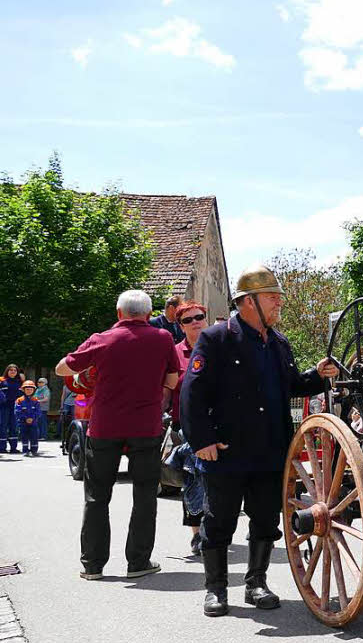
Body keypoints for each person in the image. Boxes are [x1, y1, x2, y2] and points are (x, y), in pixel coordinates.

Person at [180, 264, 339, 617]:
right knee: (219, 521)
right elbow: (192, 394)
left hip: (271, 450)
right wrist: (201, 439)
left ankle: (256, 583)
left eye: (278, 298)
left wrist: (318, 374)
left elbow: (293, 385)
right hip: (226, 450)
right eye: (271, 298)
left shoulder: (279, 343)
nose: (279, 304)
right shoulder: (216, 339)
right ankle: (216, 589)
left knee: (266, 519)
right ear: (247, 302)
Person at [56, 290, 180, 581]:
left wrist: (90, 372)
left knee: (97, 497)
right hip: (145, 426)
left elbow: (62, 368)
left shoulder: (102, 339)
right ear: (149, 315)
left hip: (105, 427)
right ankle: (138, 562)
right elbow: (173, 380)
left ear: (119, 313)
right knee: (145, 495)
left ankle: (93, 565)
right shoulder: (163, 339)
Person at [168, 300, 210, 555]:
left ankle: (210, 528)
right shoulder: (174, 353)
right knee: (192, 473)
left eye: (199, 317)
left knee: (214, 479)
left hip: (219, 424)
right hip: (185, 425)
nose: (195, 322)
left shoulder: (221, 350)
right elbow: (164, 387)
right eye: (188, 320)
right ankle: (197, 533)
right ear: (181, 326)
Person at [14, 380, 44, 456]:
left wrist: (32, 418)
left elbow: (38, 411)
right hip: (23, 422)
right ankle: (25, 450)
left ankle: (34, 451)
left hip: (33, 422)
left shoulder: (35, 400)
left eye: (31, 389)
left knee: (34, 436)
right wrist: (25, 418)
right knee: (24, 436)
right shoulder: (19, 400)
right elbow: (17, 411)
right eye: (27, 389)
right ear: (23, 390)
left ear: (33, 390)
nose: (29, 391)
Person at [0, 364, 25, 453]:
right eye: (11, 370)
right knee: (2, 426)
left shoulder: (20, 382)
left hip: (15, 407)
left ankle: (13, 448)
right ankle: (2, 448)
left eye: (15, 370)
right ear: (7, 371)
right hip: (3, 407)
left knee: (14, 427)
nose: (13, 372)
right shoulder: (2, 380)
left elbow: (24, 395)